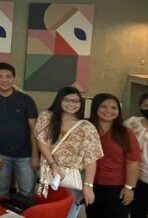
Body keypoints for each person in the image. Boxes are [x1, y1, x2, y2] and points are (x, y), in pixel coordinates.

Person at [35, 86, 103, 218]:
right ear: (59, 100)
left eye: (76, 101)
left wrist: (88, 185)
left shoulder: (86, 127)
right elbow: (42, 142)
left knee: (68, 210)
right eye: (67, 100)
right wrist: (53, 164)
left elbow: (91, 158)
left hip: (71, 176)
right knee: (46, 208)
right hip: (49, 171)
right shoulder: (46, 116)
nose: (72, 104)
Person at [0, 62, 39, 199]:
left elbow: (34, 130)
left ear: (14, 79)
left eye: (8, 76)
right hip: (1, 154)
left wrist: (35, 155)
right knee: (0, 192)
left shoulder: (26, 100)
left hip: (26, 156)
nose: (4, 80)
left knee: (27, 193)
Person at [86, 94, 141, 218]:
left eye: (114, 108)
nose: (108, 111)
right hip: (90, 183)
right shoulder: (85, 127)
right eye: (103, 107)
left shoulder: (125, 133)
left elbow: (133, 162)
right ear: (95, 108)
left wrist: (129, 187)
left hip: (117, 186)